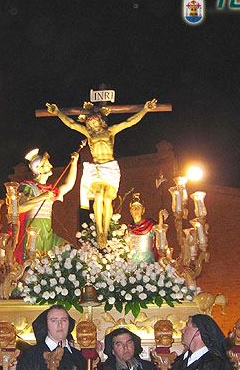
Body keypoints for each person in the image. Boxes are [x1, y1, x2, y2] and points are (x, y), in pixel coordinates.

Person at [46, 99, 157, 247]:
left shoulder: (110, 132)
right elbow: (72, 124)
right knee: (98, 197)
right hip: (96, 168)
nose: (92, 126)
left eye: (95, 123)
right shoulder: (89, 134)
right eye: (90, 124)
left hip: (110, 168)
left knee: (107, 200)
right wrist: (57, 112)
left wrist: (145, 109)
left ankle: (106, 228)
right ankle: (100, 232)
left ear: (101, 121)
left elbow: (129, 122)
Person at [16, 148, 79, 262]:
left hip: (48, 233)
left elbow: (68, 185)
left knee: (71, 252)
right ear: (39, 169)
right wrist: (40, 198)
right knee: (36, 266)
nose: (50, 165)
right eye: (46, 164)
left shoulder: (49, 190)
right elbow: (19, 208)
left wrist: (74, 164)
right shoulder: (28, 187)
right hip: (34, 234)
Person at [126, 193, 157, 264]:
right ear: (130, 211)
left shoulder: (151, 225)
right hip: (132, 265)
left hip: (149, 265)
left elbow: (159, 244)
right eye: (133, 208)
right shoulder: (129, 229)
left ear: (143, 210)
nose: (136, 210)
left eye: (138, 207)